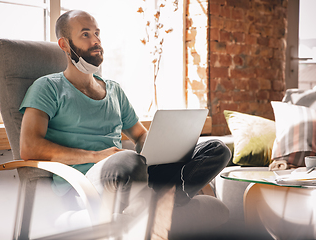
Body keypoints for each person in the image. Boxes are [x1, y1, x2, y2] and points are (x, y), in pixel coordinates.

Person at [19, 9, 231, 216]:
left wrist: (166, 148)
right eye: (85, 34)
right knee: (128, 160)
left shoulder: (114, 90)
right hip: (86, 180)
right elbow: (29, 147)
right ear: (64, 44)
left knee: (217, 149)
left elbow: (139, 135)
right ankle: (157, 200)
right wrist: (97, 156)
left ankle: (166, 199)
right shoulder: (47, 87)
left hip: (132, 174)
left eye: (97, 33)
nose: (96, 41)